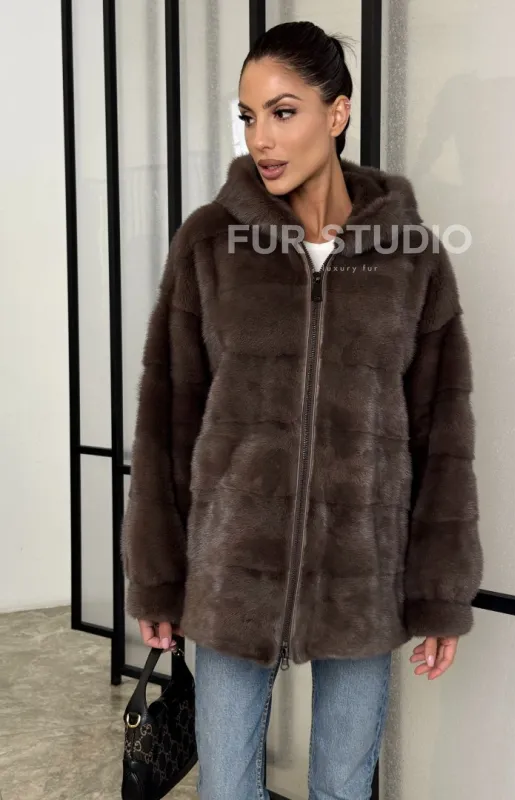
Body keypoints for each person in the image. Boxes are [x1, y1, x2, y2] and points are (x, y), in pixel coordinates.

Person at [120, 19, 483, 800]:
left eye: (284, 112)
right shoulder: (210, 242)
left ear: (338, 113)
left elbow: (442, 437)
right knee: (226, 789)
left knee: (343, 790)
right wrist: (157, 578)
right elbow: (165, 421)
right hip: (229, 573)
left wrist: (440, 593)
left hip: (362, 577)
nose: (262, 137)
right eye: (249, 116)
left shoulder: (412, 255)